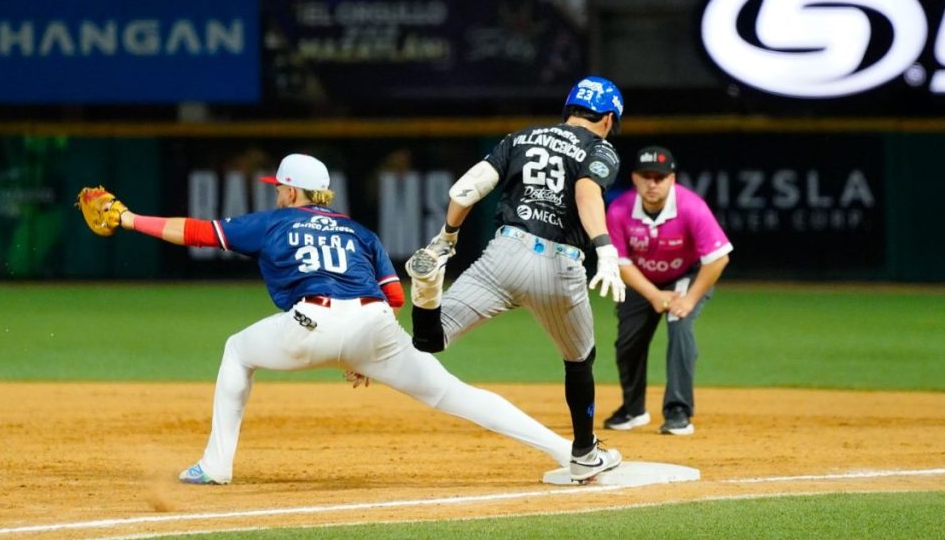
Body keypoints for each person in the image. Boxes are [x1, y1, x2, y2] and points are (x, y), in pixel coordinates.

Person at [83, 153, 608, 484]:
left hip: (311, 323)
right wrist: (365, 355)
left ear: (290, 192)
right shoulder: (359, 232)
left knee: (237, 352)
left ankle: (216, 466)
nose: (276, 193)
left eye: (278, 187)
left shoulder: (273, 221)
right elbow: (395, 299)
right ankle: (572, 451)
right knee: (456, 395)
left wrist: (128, 219)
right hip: (375, 324)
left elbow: (195, 232)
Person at [405, 76, 628, 478]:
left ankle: (425, 286)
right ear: (609, 118)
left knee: (430, 338)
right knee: (579, 360)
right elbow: (586, 192)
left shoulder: (520, 138)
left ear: (569, 110)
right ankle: (583, 453)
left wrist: (446, 238)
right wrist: (605, 248)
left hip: (504, 253)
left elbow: (465, 190)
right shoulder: (600, 148)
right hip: (559, 266)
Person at [602, 146, 732, 436]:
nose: (652, 183)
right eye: (646, 176)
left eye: (659, 177)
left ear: (671, 179)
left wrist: (689, 299)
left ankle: (678, 410)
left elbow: (718, 258)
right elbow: (619, 262)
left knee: (680, 325)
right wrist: (654, 295)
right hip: (641, 280)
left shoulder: (691, 206)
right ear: (634, 178)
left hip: (685, 277)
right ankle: (633, 409)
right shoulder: (620, 209)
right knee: (628, 342)